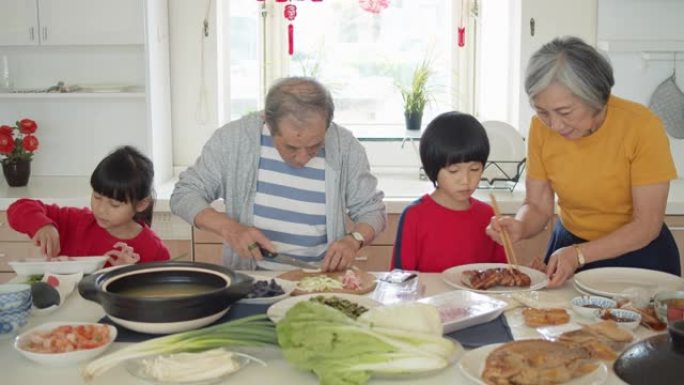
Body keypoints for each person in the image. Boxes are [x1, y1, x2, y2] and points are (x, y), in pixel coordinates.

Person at [487, 36, 680, 288]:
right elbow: (537, 204)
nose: (554, 125)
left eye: (565, 112)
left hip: (639, 255)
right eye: (542, 111)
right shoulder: (540, 129)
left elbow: (646, 224)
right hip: (567, 248)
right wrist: (521, 225)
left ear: (596, 98)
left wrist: (580, 254)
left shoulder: (641, 127)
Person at [170, 76, 386, 271]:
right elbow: (184, 194)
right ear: (267, 121)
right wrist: (229, 228)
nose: (303, 159)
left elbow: (372, 210)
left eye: (314, 146)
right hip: (251, 281)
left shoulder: (345, 146)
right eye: (291, 147)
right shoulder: (233, 140)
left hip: (319, 280)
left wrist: (354, 239)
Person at [7, 145, 170, 266]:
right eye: (97, 197)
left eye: (114, 204)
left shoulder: (154, 250)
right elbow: (18, 208)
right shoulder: (74, 221)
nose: (101, 209)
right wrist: (42, 225)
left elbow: (159, 298)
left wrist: (126, 276)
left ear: (141, 204)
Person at [391, 111, 506, 272]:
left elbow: (501, 274)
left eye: (474, 169)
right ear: (433, 169)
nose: (465, 180)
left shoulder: (488, 215)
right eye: (453, 171)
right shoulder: (414, 216)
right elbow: (400, 280)